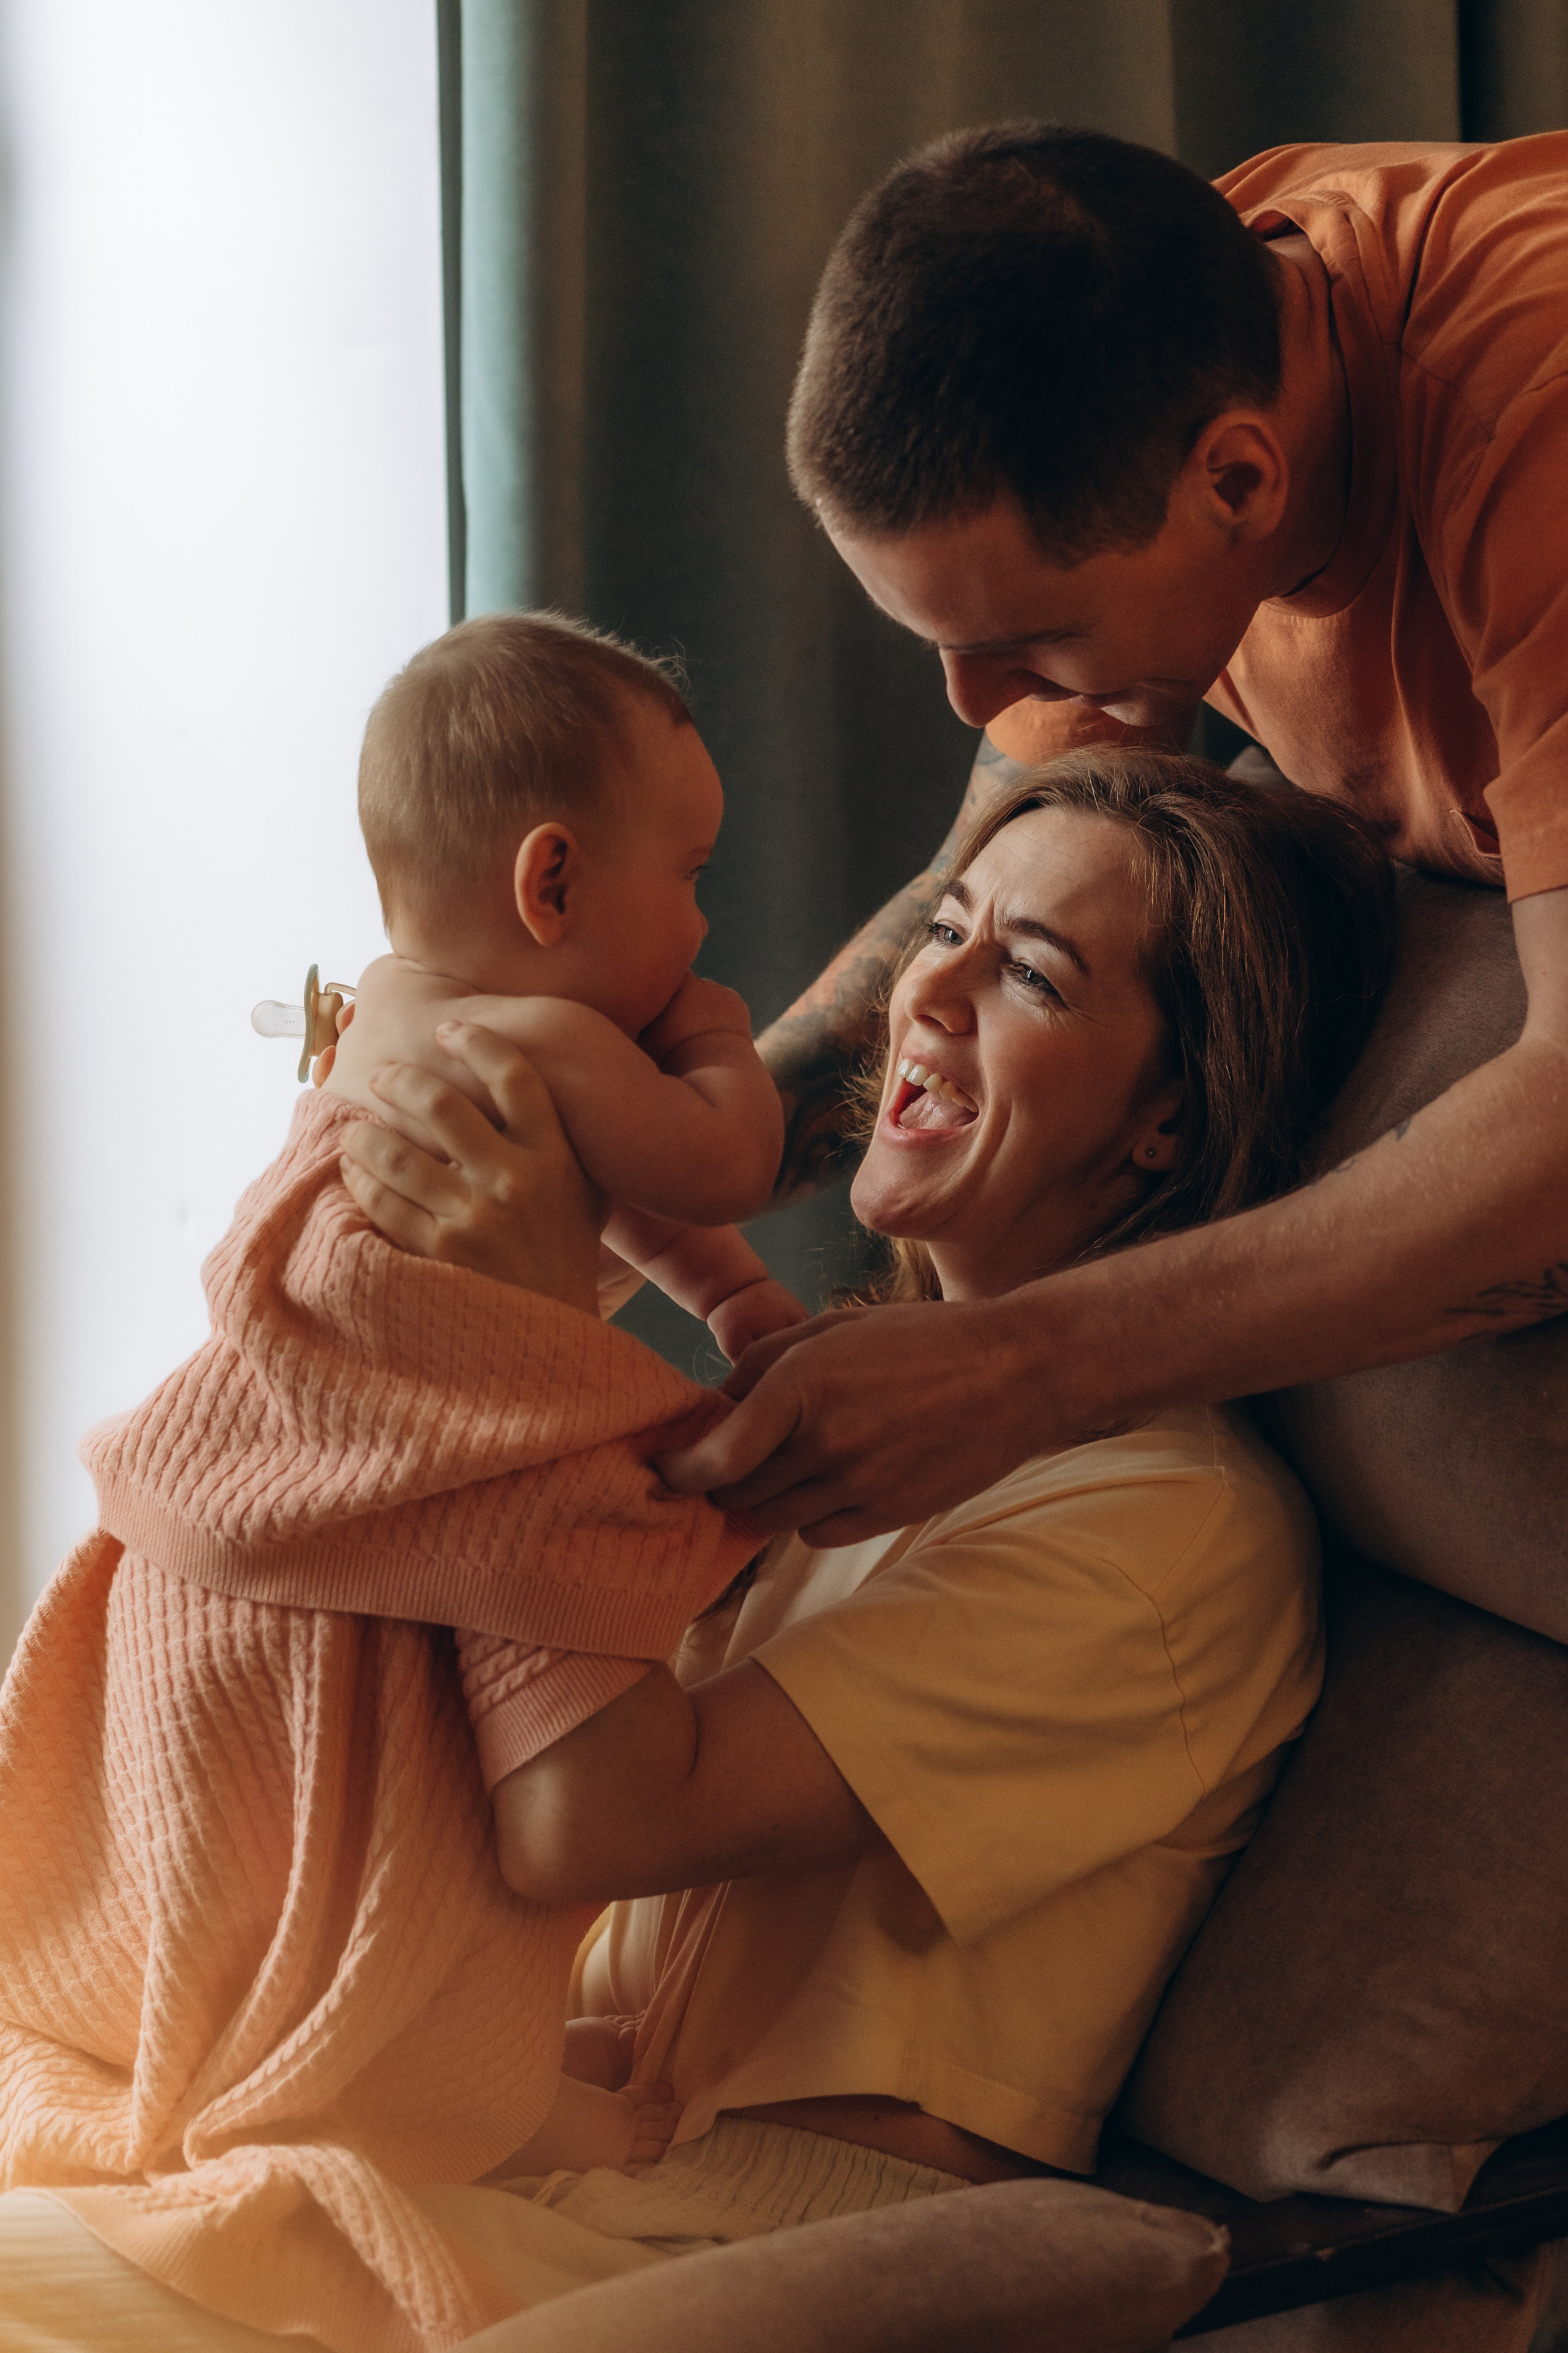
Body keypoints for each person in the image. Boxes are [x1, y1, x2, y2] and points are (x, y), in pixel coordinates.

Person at [318, 748, 1389, 2340]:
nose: (930, 989)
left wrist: (507, 1325)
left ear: (1170, 1121)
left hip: (767, 2237)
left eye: (1026, 971)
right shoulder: (849, 1425)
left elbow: (581, 1819)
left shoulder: (1172, 1532)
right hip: (544, 2143)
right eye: (946, 926)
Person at [0, 611, 807, 2352]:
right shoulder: (580, 1049)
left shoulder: (383, 1033)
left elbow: (624, 1195)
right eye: (694, 874)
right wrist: (727, 1051)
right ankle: (444, 2098)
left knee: (258, 1875)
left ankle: (252, 2051)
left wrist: (727, 1289)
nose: (706, 922)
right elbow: (717, 1153)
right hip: (360, 1556)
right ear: (551, 885)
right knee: (410, 1832)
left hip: (233, 1550)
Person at [614, 120, 1568, 1547]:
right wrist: (606, 1160)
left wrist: (1018, 1368)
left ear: (1237, 483)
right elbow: (976, 881)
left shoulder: (1525, 429)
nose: (977, 702)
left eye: (1022, 642)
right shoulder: (1173, 342)